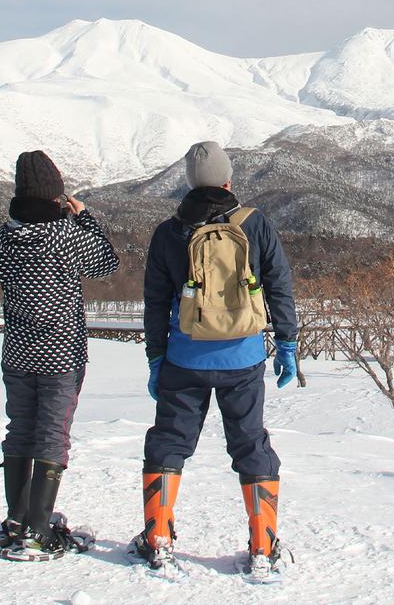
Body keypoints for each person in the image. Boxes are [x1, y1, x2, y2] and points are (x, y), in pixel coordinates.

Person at [132, 141, 299, 579]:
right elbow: (279, 285)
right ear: (229, 180)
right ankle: (263, 544)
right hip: (242, 358)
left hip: (184, 359)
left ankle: (158, 537)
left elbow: (154, 301)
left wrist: (156, 357)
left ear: (189, 183)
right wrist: (286, 344)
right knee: (250, 444)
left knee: (169, 442)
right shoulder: (255, 224)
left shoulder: (170, 232)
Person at [0, 150, 120, 560]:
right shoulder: (64, 233)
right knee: (51, 434)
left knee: (20, 428)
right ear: (56, 194)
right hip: (61, 353)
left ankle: (17, 518)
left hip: (18, 351)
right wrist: (83, 217)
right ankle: (38, 530)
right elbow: (106, 263)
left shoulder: (3, 237)